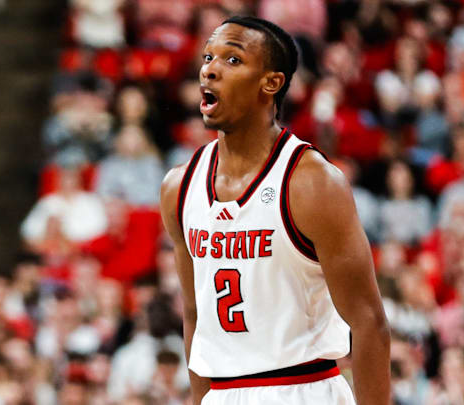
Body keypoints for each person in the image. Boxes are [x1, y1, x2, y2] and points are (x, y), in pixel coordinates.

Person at [159, 16, 389, 405]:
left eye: (232, 60)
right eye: (208, 57)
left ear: (271, 82)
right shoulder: (179, 186)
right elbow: (196, 317)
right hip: (223, 393)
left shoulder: (311, 182)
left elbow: (369, 323)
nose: (210, 69)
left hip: (304, 389)